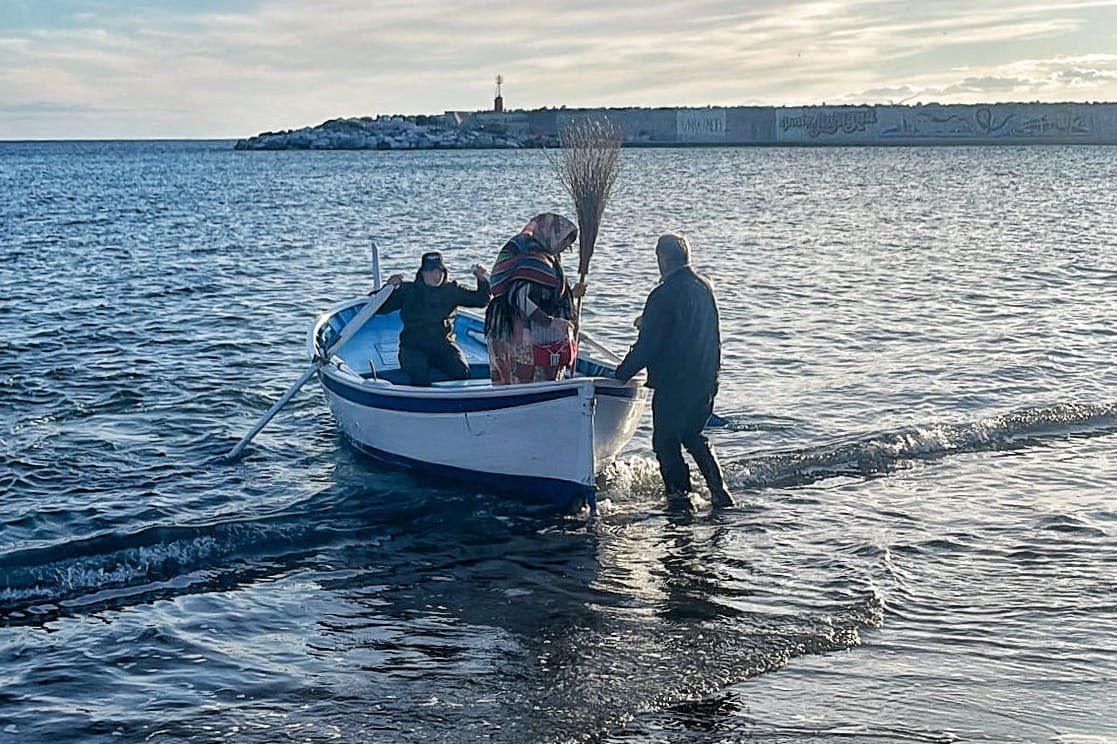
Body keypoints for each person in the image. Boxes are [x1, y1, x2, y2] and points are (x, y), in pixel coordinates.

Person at [614, 234, 734, 508]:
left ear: (662, 258)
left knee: (666, 443)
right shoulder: (704, 287)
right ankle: (719, 492)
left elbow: (649, 346)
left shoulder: (663, 293)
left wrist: (620, 375)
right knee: (692, 435)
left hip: (674, 383)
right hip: (705, 377)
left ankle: (680, 499)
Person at [484, 213, 585, 385]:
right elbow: (521, 299)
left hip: (531, 333)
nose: (563, 248)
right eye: (563, 243)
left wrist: (573, 294)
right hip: (516, 331)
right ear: (551, 235)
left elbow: (546, 294)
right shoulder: (531, 257)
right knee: (522, 382)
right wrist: (551, 322)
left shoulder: (548, 258)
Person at [377, 251, 491, 387]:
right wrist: (388, 287)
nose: (436, 276)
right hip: (413, 346)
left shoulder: (452, 290)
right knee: (419, 374)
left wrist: (482, 280)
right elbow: (379, 307)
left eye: (439, 271)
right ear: (423, 273)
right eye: (430, 271)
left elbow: (481, 300)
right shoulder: (408, 291)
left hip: (443, 344)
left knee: (461, 371)